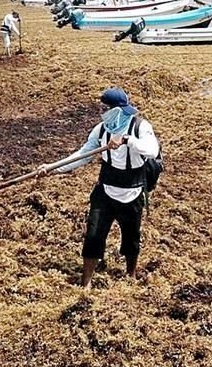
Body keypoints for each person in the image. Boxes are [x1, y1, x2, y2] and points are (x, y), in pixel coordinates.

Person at [38, 88, 159, 288]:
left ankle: (131, 275)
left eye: (108, 108)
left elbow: (152, 150)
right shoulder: (101, 129)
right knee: (93, 235)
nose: (104, 112)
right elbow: (84, 154)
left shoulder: (140, 127)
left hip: (133, 191)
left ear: (119, 110)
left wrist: (127, 141)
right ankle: (85, 283)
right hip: (106, 191)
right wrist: (52, 168)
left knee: (131, 238)